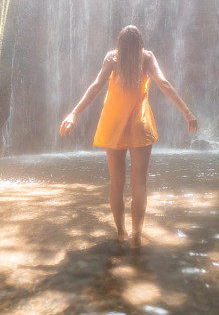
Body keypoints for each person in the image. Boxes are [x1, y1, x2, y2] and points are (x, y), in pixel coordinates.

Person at [58, 25, 198, 248]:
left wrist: (74, 113)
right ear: (141, 44)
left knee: (116, 183)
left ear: (119, 45)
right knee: (139, 183)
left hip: (113, 124)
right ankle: (136, 237)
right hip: (139, 125)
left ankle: (121, 232)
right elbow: (163, 83)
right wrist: (187, 112)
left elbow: (96, 86)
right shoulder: (147, 58)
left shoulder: (113, 59)